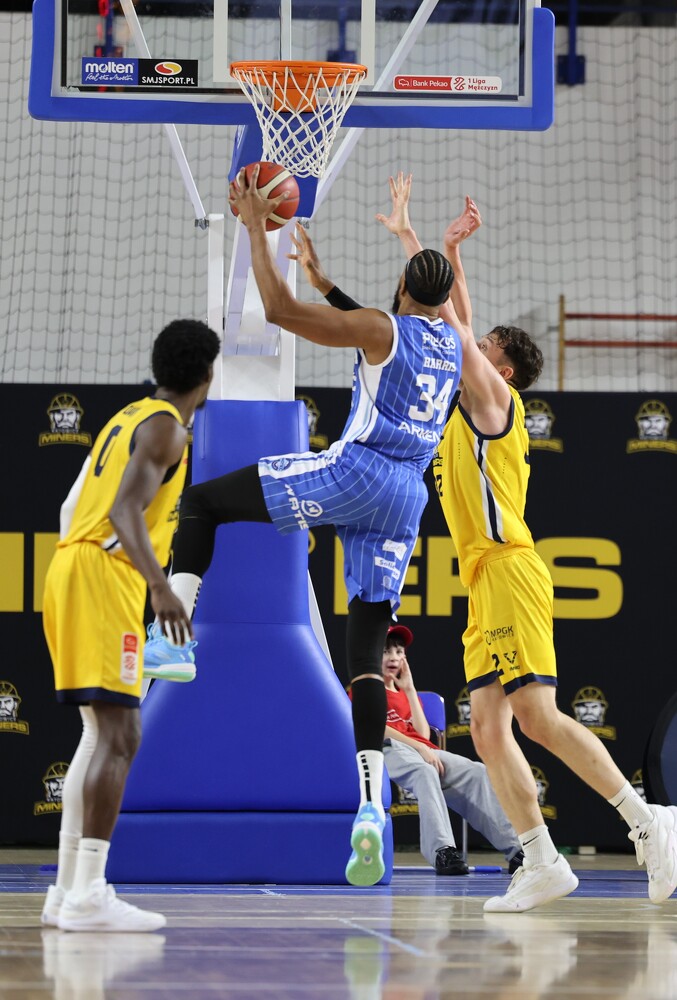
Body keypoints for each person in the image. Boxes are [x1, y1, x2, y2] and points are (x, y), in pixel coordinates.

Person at [143, 164, 463, 887]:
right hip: (406, 497)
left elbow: (280, 310)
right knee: (366, 649)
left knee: (205, 502)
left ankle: (172, 640)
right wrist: (332, 284)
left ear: (401, 289)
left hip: (359, 471)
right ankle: (368, 806)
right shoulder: (449, 343)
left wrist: (257, 228)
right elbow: (384, 323)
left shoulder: (382, 327)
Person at [384, 174, 677, 912]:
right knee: (487, 729)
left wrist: (425, 248)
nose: (469, 339)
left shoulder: (495, 402)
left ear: (503, 370)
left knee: (537, 717)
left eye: (484, 346)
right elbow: (456, 318)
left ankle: (649, 824)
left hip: (510, 569)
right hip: (483, 581)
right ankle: (540, 859)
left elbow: (450, 320)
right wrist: (435, 247)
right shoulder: (469, 401)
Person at [41, 319, 220, 932]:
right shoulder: (168, 429)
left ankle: (67, 892)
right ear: (208, 376)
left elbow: (72, 506)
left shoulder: (127, 417)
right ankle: (89, 894)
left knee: (99, 736)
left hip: (71, 564)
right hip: (102, 575)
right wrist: (161, 588)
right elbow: (124, 510)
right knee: (121, 735)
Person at [380, 623, 522, 875]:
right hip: (386, 749)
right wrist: (420, 748)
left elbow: (423, 734)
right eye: (386, 651)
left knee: (476, 771)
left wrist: (410, 689)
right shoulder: (364, 689)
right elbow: (374, 728)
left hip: (420, 750)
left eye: (399, 652)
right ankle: (442, 851)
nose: (393, 657)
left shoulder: (405, 694)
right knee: (425, 772)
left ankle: (516, 850)